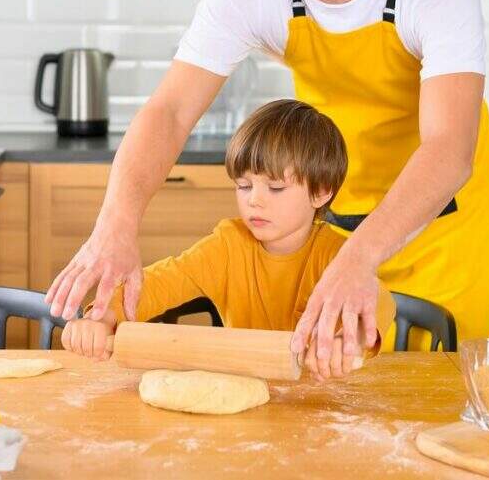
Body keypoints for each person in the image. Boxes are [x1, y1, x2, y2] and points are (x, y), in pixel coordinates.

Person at [47, 0, 489, 378]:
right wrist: (115, 226)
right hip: (327, 210)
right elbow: (169, 110)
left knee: (436, 396)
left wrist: (359, 259)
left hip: (440, 222)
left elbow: (448, 149)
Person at [60, 100, 396, 380]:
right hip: (249, 400)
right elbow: (158, 284)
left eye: (275, 188)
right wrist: (102, 318)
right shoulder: (227, 246)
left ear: (321, 192)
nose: (255, 200)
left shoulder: (339, 256)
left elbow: (379, 301)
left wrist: (349, 338)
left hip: (320, 405)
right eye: (244, 186)